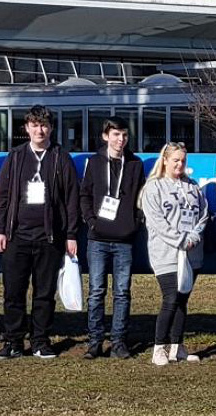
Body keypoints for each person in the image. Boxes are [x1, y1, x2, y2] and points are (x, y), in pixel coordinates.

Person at [0, 105, 79, 360]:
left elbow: (71, 198)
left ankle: (40, 340)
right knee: (13, 292)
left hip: (49, 237)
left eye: (44, 125)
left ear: (50, 128)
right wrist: (0, 229)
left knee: (44, 293)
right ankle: (13, 342)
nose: (39, 130)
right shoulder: (16, 156)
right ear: (27, 128)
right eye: (34, 125)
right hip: (17, 236)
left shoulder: (60, 157)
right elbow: (3, 196)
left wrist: (71, 234)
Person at [79, 116, 146, 360]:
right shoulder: (94, 162)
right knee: (96, 291)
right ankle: (95, 341)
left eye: (125, 135)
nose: (121, 139)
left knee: (122, 292)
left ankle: (119, 341)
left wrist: (135, 223)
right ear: (106, 136)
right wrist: (91, 221)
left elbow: (141, 198)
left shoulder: (135, 164)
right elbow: (84, 195)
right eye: (116, 134)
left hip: (124, 240)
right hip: (98, 238)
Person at [140, 142, 209, 366]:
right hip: (166, 252)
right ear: (165, 160)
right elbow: (157, 221)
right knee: (170, 298)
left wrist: (194, 237)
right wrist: (179, 240)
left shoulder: (193, 186)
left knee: (182, 300)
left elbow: (204, 214)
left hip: (191, 252)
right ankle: (159, 347)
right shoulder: (154, 187)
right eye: (175, 160)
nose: (179, 164)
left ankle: (177, 347)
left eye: (183, 160)